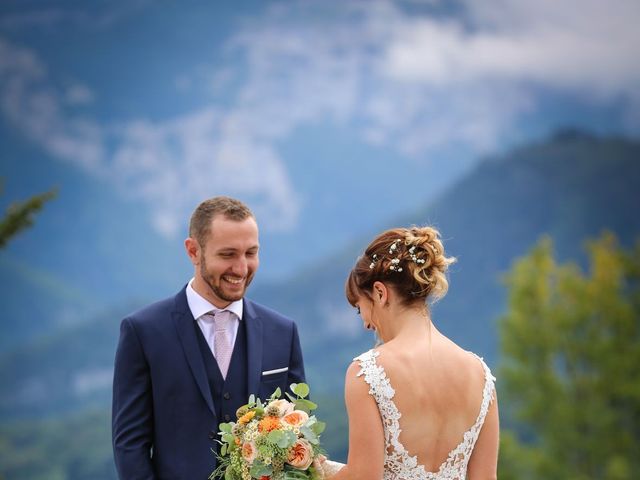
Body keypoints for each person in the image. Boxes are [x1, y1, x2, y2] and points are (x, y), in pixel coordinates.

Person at [112, 196, 306, 480]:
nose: (241, 268)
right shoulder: (142, 331)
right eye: (228, 255)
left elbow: (297, 435)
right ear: (193, 251)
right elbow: (130, 445)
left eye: (251, 253)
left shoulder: (283, 332)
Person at [323, 226, 499, 479]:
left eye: (359, 308)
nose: (365, 323)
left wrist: (313, 468)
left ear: (380, 293)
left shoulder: (368, 373)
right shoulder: (481, 375)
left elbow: (364, 477)